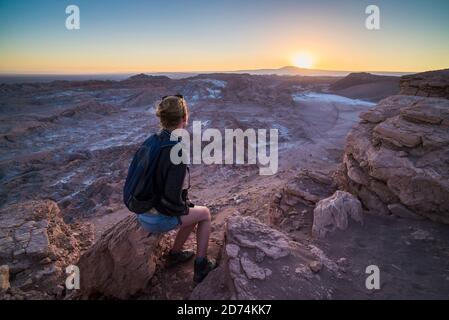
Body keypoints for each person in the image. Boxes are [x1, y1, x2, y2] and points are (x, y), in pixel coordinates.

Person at [137, 95, 216, 283]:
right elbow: (172, 198)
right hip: (156, 219)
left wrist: (184, 206)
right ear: (184, 118)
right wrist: (182, 206)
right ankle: (201, 266)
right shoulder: (176, 150)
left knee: (189, 210)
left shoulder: (151, 141)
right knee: (204, 214)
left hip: (142, 212)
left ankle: (175, 254)